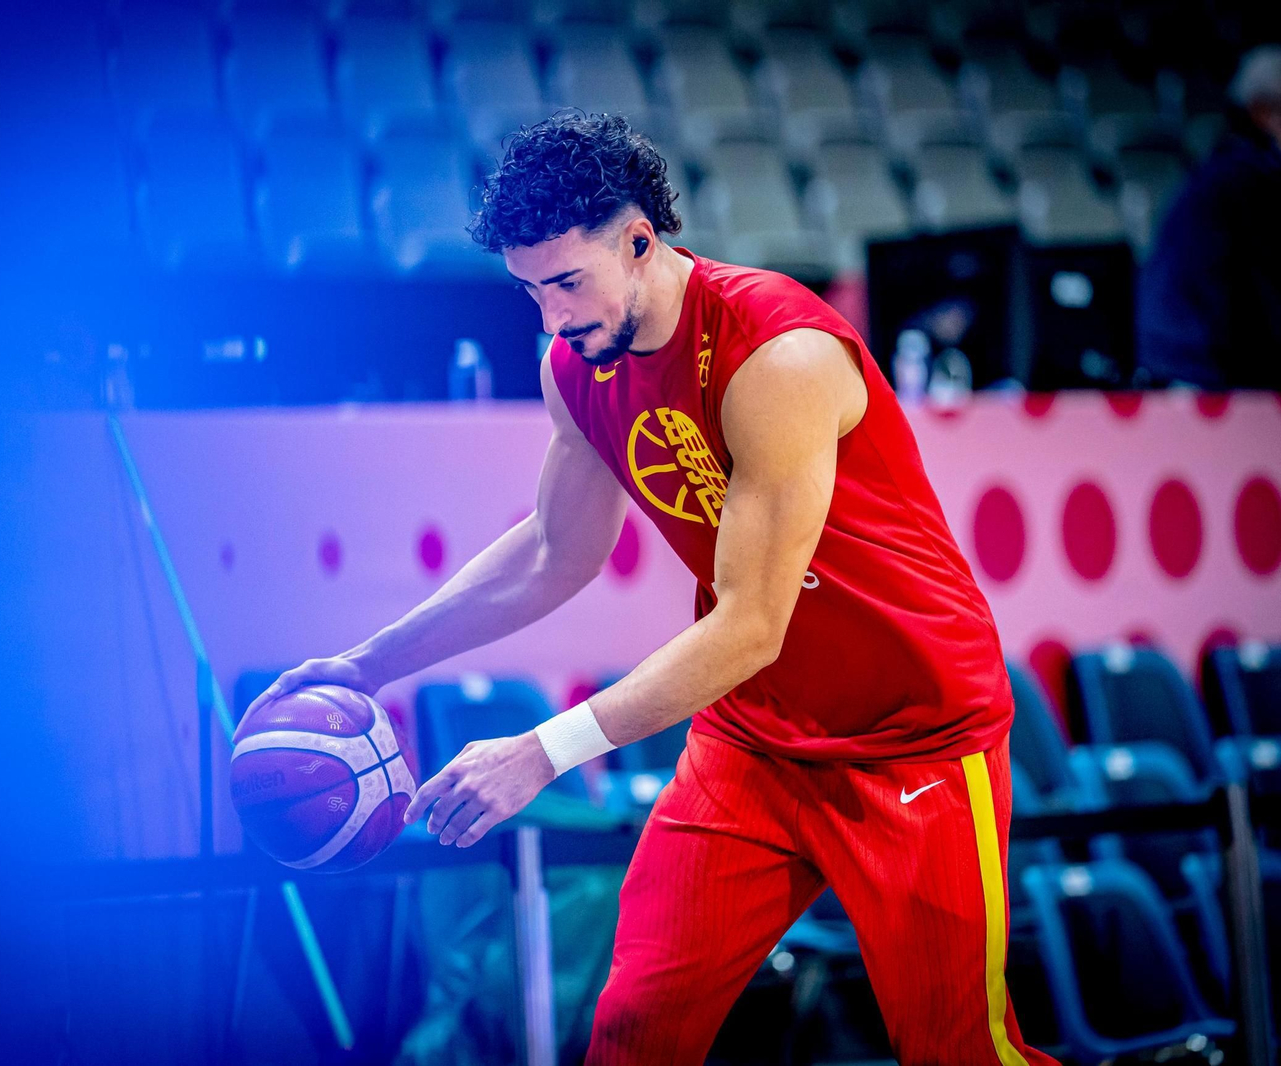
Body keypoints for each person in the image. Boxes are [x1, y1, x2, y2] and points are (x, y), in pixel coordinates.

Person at [245, 112, 1055, 1065]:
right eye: (530, 291)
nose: (551, 319)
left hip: (912, 735)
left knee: (961, 1052)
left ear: (639, 242)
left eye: (567, 283)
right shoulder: (575, 367)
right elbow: (553, 553)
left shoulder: (777, 352)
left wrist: (542, 752)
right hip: (756, 742)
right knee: (632, 1032)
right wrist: (367, 664)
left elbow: (751, 624)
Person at [1137, 45, 1281, 389]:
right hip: (1202, 367)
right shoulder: (1243, 180)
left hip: (1211, 358)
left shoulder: (1250, 173)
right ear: (1261, 110)